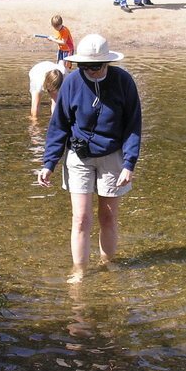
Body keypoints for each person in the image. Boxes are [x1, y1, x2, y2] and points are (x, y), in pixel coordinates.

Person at [37, 34, 142, 283]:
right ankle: (80, 270)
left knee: (108, 217)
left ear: (107, 63)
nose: (91, 71)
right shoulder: (72, 83)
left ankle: (108, 264)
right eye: (85, 66)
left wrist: (129, 162)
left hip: (113, 156)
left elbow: (133, 125)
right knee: (81, 218)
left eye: (95, 67)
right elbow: (59, 125)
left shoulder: (123, 81)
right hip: (79, 157)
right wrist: (48, 163)